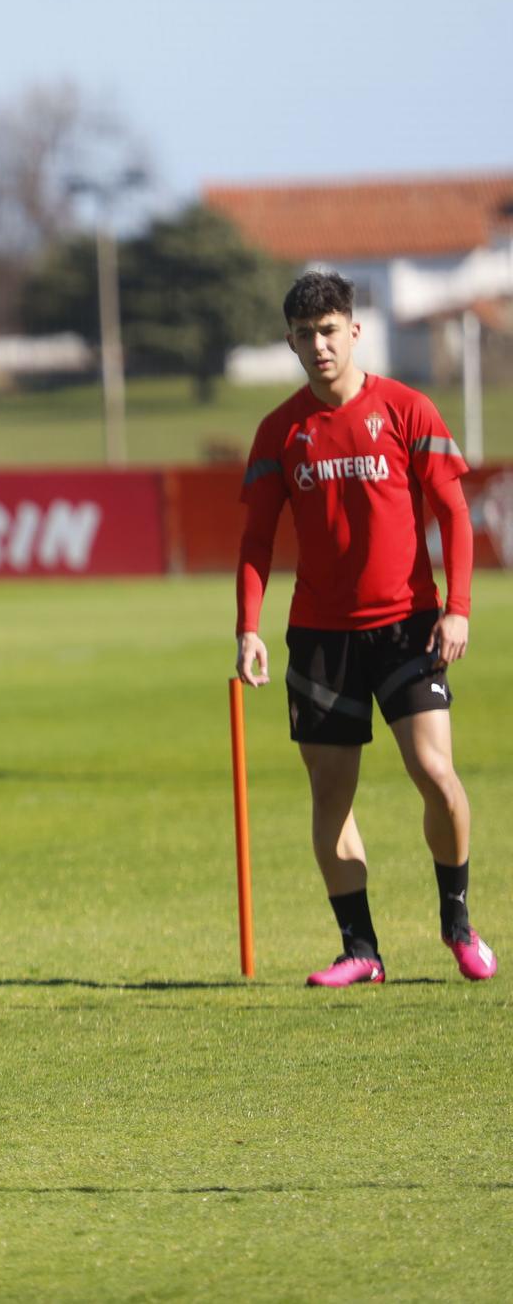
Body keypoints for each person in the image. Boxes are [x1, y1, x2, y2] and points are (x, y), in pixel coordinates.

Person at [236, 269, 492, 987]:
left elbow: (454, 514)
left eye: (329, 331)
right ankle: (361, 949)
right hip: (320, 639)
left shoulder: (407, 409)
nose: (319, 345)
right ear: (289, 341)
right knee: (330, 797)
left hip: (409, 627)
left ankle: (458, 922)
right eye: (304, 335)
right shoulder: (280, 430)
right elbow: (256, 541)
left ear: (353, 331)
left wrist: (459, 606)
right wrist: (247, 627)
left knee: (435, 775)